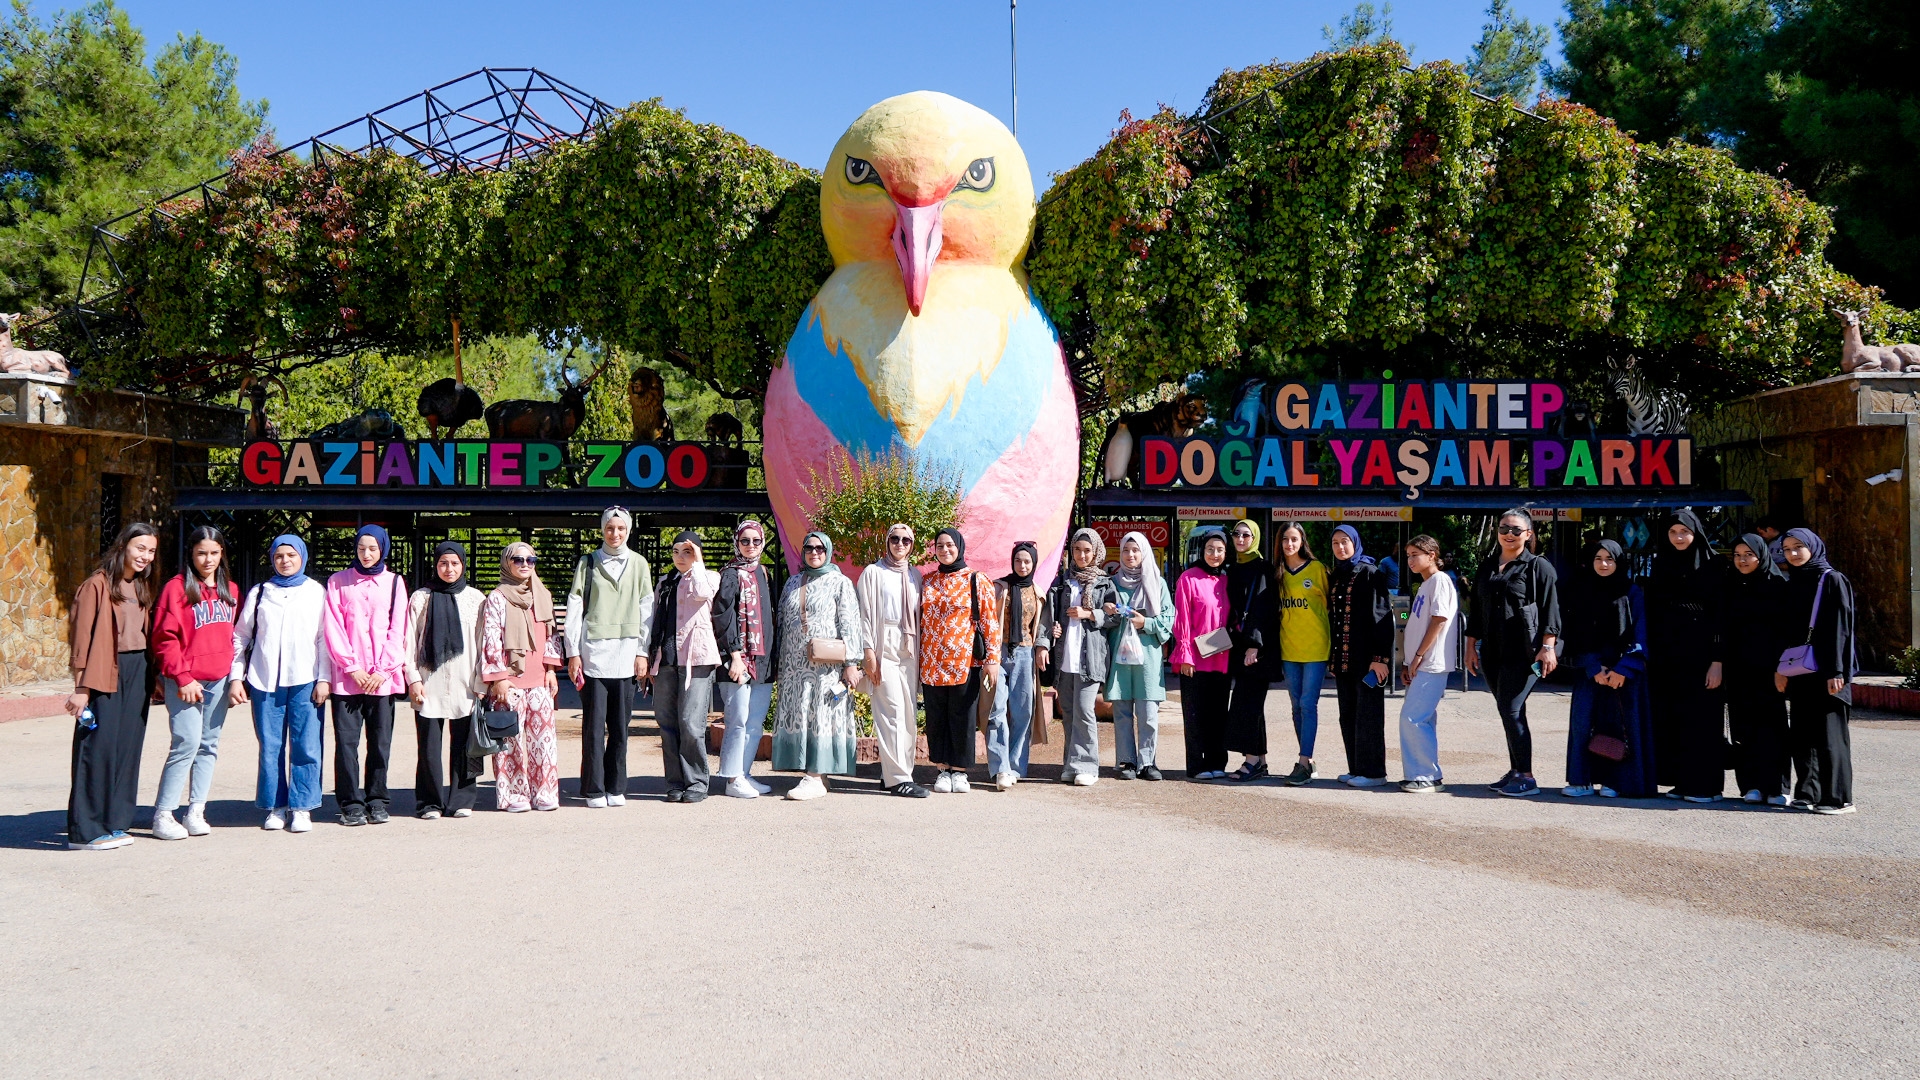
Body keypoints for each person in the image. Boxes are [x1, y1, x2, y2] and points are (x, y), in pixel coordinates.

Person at [65, 522, 161, 850]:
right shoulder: (97, 585)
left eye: (151, 551)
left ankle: (115, 822)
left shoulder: (142, 585)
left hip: (138, 670)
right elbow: (81, 638)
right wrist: (81, 688)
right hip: (104, 671)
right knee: (98, 748)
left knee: (127, 748)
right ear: (123, 547)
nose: (145, 556)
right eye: (140, 548)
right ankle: (86, 831)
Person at [230, 534, 331, 833]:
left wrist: (324, 678)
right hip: (265, 680)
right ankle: (276, 806)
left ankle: (302, 806)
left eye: (291, 555)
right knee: (270, 746)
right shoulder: (261, 592)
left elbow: (324, 638)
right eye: (279, 556)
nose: (285, 561)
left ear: (302, 557)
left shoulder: (316, 592)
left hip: (305, 678)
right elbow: (241, 636)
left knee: (306, 744)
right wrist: (237, 676)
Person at [1463, 508, 1561, 797]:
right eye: (1504, 528)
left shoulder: (1538, 567)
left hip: (1525, 652)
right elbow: (1476, 610)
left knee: (1512, 709)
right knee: (1507, 710)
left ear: (1528, 534)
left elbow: (1551, 609)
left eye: (1516, 530)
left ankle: (1527, 776)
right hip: (1492, 651)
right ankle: (1516, 770)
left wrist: (1548, 647)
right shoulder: (1488, 566)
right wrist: (1470, 647)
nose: (1509, 534)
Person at [149, 525, 238, 840]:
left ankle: (196, 810)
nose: (208, 559)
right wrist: (182, 677)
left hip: (218, 680)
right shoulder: (176, 589)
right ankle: (163, 814)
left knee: (208, 745)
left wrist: (234, 678)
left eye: (214, 553)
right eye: (201, 553)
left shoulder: (231, 590)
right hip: (185, 681)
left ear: (222, 554)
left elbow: (234, 638)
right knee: (186, 742)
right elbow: (164, 638)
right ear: (191, 554)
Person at [564, 507, 654, 808]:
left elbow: (646, 610)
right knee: (593, 726)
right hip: (593, 655)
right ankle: (593, 788)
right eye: (610, 528)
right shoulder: (588, 563)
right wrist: (573, 652)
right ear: (602, 529)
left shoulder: (639, 563)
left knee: (620, 727)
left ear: (628, 530)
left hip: (626, 655)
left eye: (621, 528)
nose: (615, 534)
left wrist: (642, 651)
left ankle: (616, 787)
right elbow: (575, 607)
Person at [1560, 540, 1656, 799]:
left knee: (1620, 727)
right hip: (1590, 672)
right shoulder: (1580, 591)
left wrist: (1624, 668)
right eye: (1598, 558)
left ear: (1618, 562)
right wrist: (1593, 666)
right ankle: (1581, 780)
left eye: (1609, 559)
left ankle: (1617, 781)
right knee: (1583, 725)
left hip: (1624, 675)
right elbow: (1574, 634)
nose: (1603, 564)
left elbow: (1641, 631)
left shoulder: (1631, 592)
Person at [772, 531, 864, 800]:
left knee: (822, 714)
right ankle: (817, 774)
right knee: (802, 715)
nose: (814, 552)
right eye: (809, 548)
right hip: (794, 666)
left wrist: (851, 663)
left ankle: (813, 777)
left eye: (820, 548)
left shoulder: (840, 583)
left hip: (827, 668)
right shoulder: (793, 582)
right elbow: (782, 622)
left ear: (828, 551)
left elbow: (850, 623)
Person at [1775, 529, 1857, 814]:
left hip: (1828, 671)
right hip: (1800, 670)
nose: (1793, 554)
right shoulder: (1794, 582)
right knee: (1802, 734)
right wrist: (1781, 668)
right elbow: (1786, 631)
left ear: (1813, 547)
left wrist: (1837, 671)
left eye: (1798, 547)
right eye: (1787, 549)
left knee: (1829, 736)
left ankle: (1837, 798)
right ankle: (1808, 792)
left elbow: (1840, 630)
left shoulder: (1832, 579)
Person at [1646, 509, 1726, 801]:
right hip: (1669, 656)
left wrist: (1717, 661)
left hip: (1703, 657)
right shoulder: (1662, 564)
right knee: (1674, 718)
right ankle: (1681, 781)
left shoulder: (1714, 565)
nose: (1678, 537)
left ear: (1696, 533)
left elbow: (1721, 616)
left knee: (1702, 719)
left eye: (1684, 532)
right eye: (1672, 532)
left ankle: (1706, 786)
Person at [403, 541, 486, 819]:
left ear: (463, 565)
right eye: (443, 563)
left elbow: (483, 642)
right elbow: (409, 641)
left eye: (454, 563)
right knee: (428, 747)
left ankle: (462, 800)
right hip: (429, 682)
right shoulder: (421, 598)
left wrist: (481, 682)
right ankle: (429, 802)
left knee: (465, 746)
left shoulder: (475, 599)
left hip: (465, 682)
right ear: (435, 565)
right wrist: (413, 679)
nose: (449, 569)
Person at [481, 542, 565, 812]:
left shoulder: (542, 594)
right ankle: (514, 795)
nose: (525, 564)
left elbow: (551, 635)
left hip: (540, 680)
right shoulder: (497, 598)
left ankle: (544, 792)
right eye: (518, 559)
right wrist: (498, 678)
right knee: (510, 742)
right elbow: (491, 638)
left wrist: (551, 670)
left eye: (531, 560)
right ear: (507, 563)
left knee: (544, 741)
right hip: (510, 682)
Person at [920, 528, 1000, 792]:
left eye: (950, 545)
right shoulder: (928, 581)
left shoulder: (976, 580)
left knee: (963, 716)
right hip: (931, 662)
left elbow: (989, 621)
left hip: (964, 662)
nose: (945, 550)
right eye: (939, 546)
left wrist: (992, 659)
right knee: (936, 718)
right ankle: (942, 770)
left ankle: (960, 771)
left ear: (960, 547)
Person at [1717, 533, 1792, 806]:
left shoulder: (1777, 586)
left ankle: (1777, 787)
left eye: (1748, 555)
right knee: (1743, 727)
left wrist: (1781, 667)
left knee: (1772, 727)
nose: (1742, 560)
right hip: (1738, 668)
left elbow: (1786, 631)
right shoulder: (1730, 585)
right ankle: (1750, 785)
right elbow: (1723, 629)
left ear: (1761, 556)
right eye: (1737, 555)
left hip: (1770, 669)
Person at [648, 531, 722, 803]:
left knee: (691, 723)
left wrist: (698, 561)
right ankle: (675, 782)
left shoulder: (710, 577)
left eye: (687, 551)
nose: (680, 557)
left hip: (697, 659)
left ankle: (697, 782)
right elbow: (652, 619)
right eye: (676, 551)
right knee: (667, 723)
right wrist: (648, 657)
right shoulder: (665, 582)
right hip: (665, 659)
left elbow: (702, 593)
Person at [1038, 528, 1113, 787]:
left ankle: (1088, 766)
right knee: (1069, 712)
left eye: (1087, 551)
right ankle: (1071, 764)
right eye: (1077, 550)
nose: (1082, 555)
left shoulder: (1105, 583)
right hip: (1065, 656)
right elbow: (1049, 616)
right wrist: (1050, 636)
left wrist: (1090, 614)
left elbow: (1114, 617)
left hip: (1090, 658)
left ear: (1096, 552)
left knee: (1084, 710)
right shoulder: (1061, 583)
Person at [857, 523, 928, 798]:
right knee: (892, 711)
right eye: (895, 539)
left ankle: (893, 774)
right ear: (887, 542)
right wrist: (868, 652)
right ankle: (899, 779)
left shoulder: (914, 575)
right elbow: (864, 614)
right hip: (882, 641)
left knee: (908, 712)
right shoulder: (873, 572)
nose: (900, 544)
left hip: (908, 645)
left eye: (906, 540)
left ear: (912, 545)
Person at [714, 519, 780, 799]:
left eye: (756, 541)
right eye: (745, 541)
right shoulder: (730, 574)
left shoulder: (764, 572)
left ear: (762, 543)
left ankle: (743, 773)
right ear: (737, 543)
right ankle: (732, 779)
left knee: (754, 722)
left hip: (763, 660)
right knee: (737, 720)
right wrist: (735, 655)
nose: (750, 545)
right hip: (738, 660)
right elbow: (722, 617)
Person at [1327, 524, 1394, 788]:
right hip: (1344, 660)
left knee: (1369, 715)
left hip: (1368, 660)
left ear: (1355, 543)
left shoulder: (1370, 573)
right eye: (1335, 543)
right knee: (1348, 714)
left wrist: (1381, 658)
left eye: (1345, 541)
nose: (1340, 547)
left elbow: (1382, 617)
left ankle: (1374, 772)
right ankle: (1356, 768)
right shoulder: (1337, 575)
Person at [1103, 531, 1174, 781]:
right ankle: (1127, 761)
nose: (1130, 555)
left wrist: (1147, 623)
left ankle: (1147, 762)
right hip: (1120, 657)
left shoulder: (1157, 583)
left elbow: (1168, 619)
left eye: (1135, 550)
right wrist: (1108, 612)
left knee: (1148, 713)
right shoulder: (1111, 583)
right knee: (1122, 711)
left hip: (1148, 657)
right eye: (1126, 550)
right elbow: (1102, 621)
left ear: (1144, 553)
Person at [1171, 532, 1233, 780]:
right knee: (1195, 714)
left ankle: (1217, 762)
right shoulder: (1188, 578)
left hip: (1221, 655)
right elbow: (1182, 618)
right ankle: (1197, 765)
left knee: (1218, 713)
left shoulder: (1227, 580)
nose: (1214, 554)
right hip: (1194, 659)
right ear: (1202, 551)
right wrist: (1185, 653)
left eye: (1219, 550)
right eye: (1210, 549)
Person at [1273, 520, 1330, 786]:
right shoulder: (1278, 573)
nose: (1289, 544)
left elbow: (1329, 605)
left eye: (1294, 539)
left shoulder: (1317, 569)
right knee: (1296, 706)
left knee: (1308, 704)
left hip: (1316, 648)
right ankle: (1308, 759)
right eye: (1285, 539)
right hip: (1289, 648)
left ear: (1302, 541)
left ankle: (1303, 762)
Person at [1397, 535, 1456, 793]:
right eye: (1408, 556)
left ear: (1432, 555)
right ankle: (1422, 774)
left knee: (1413, 719)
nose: (1410, 560)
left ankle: (1427, 776)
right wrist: (1408, 661)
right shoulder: (1425, 584)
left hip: (1431, 663)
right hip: (1420, 664)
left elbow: (1439, 618)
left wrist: (1420, 655)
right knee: (1422, 719)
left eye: (1415, 554)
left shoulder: (1440, 580)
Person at [1223, 519, 1277, 782]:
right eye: (1237, 534)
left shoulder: (1263, 568)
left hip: (1257, 649)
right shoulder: (1233, 567)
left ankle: (1251, 761)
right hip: (1239, 645)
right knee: (1252, 705)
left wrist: (1254, 645)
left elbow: (1264, 607)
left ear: (1255, 538)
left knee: (1247, 703)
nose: (1241, 539)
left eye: (1246, 535)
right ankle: (1260, 761)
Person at [987, 540, 1041, 790]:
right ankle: (1001, 768)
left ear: (1034, 563)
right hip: (999, 652)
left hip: (1025, 653)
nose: (1022, 565)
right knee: (996, 709)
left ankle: (1016, 766)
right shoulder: (1000, 587)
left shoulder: (1038, 592)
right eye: (1018, 560)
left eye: (1027, 561)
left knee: (1022, 711)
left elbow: (1041, 626)